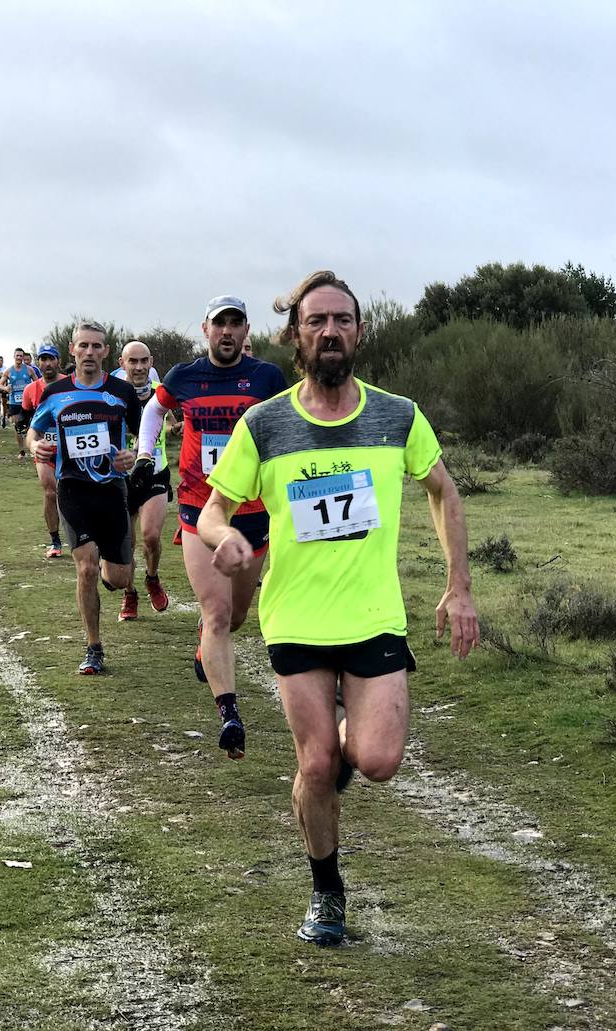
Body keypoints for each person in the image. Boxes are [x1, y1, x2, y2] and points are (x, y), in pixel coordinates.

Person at [197, 270, 479, 947]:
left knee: (376, 759)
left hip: (374, 616)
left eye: (342, 320)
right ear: (296, 334)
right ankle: (327, 891)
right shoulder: (264, 424)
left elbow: (443, 490)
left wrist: (459, 583)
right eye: (316, 321)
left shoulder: (397, 415)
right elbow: (212, 510)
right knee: (317, 763)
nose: (330, 331)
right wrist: (225, 535)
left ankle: (331, 764)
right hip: (295, 618)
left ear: (358, 331)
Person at [133, 296, 287, 759]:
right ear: (205, 329)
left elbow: (286, 423)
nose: (227, 332)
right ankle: (230, 715)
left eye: (235, 324)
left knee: (236, 617)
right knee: (218, 616)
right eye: (219, 324)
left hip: (254, 514)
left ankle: (207, 639)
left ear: (245, 332)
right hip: (201, 509)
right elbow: (153, 411)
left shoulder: (267, 378)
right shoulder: (184, 376)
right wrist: (145, 453)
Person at [27, 321, 142, 675]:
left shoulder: (122, 392)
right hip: (73, 490)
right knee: (86, 566)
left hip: (112, 490)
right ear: (72, 349)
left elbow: (145, 435)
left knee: (119, 577)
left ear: (106, 352)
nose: (90, 352)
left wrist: (133, 455)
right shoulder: (55, 393)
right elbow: (33, 432)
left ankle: (117, 580)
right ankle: (94, 647)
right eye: (84, 346)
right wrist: (36, 446)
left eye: (97, 346)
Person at [113, 340, 172, 618]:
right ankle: (130, 593)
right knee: (128, 543)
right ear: (121, 363)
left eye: (144, 361)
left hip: (154, 471)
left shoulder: (161, 391)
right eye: (132, 361)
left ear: (151, 363)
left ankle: (152, 577)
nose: (139, 367)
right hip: (119, 477)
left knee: (151, 536)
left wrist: (175, 428)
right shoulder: (110, 391)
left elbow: (170, 418)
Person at [21, 344, 66, 558]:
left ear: (58, 361)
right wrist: (33, 442)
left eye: (51, 359)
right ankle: (55, 541)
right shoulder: (31, 390)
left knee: (75, 493)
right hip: (45, 449)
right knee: (50, 492)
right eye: (43, 359)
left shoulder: (69, 384)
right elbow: (28, 418)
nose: (47, 363)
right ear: (38, 363)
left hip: (70, 449)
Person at [1, 348, 37, 459]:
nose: (19, 358)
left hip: (27, 402)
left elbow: (38, 383)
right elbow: (0, 384)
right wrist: (5, 388)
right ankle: (21, 451)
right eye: (17, 356)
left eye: (21, 356)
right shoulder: (9, 371)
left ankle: (31, 445)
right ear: (14, 356)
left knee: (28, 426)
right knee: (18, 427)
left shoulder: (29, 370)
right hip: (14, 402)